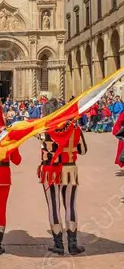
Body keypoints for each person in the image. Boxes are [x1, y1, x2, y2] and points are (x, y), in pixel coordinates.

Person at [37, 101, 87, 256]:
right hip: (69, 169)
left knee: (54, 207)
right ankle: (72, 245)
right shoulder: (75, 128)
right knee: (70, 206)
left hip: (50, 171)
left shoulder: (43, 129)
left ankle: (58, 244)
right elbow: (83, 150)